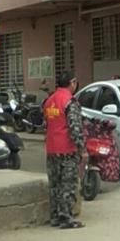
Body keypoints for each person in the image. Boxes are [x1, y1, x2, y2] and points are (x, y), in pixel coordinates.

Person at [42, 70, 85, 229]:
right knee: (68, 183)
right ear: (72, 83)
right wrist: (81, 149)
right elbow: (75, 127)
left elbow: (46, 124)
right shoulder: (69, 101)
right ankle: (66, 217)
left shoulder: (49, 101)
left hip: (51, 148)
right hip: (66, 149)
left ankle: (55, 216)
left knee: (55, 184)